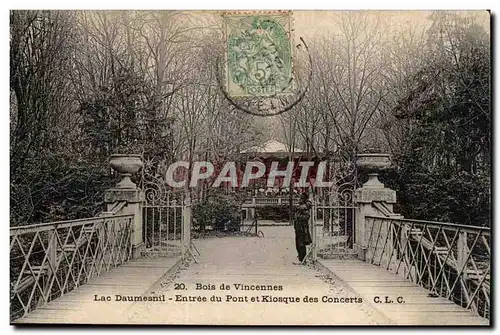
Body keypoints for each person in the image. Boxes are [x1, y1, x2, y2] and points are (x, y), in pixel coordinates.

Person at [293, 192, 312, 265]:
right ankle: (301, 258)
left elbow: (307, 216)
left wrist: (298, 218)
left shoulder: (304, 207)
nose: (298, 199)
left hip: (302, 227)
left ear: (303, 199)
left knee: (301, 244)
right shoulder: (300, 207)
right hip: (298, 227)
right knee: (298, 243)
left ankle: (302, 259)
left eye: (300, 198)